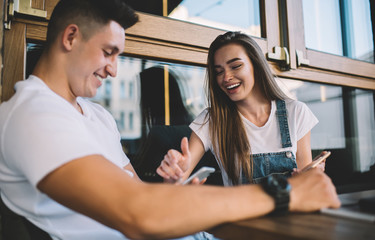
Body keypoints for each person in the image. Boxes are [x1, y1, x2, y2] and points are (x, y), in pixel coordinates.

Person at [0, 1, 340, 239]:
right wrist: (283, 194)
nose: (114, 70)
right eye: (109, 52)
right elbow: (137, 212)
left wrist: (172, 194)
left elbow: (139, 194)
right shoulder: (33, 114)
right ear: (70, 37)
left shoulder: (98, 117)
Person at [157, 31, 324, 186]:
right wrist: (173, 174)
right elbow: (177, 181)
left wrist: (309, 178)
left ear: (256, 66)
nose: (226, 77)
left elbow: (305, 186)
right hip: (240, 217)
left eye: (235, 66)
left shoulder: (296, 113)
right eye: (218, 71)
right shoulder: (211, 120)